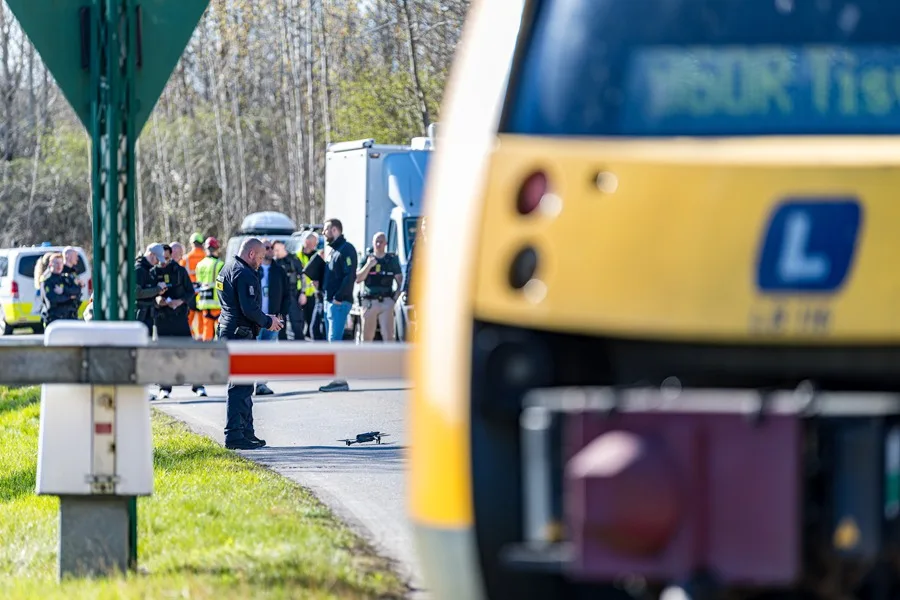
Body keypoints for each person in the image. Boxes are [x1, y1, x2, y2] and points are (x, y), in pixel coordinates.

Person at [217, 237, 284, 450]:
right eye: (261, 256)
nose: (262, 261)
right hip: (239, 334)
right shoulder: (244, 273)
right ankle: (234, 435)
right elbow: (249, 309)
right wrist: (268, 322)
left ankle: (247, 432)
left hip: (232, 331)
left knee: (245, 385)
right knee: (240, 386)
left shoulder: (227, 268)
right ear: (251, 254)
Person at [153, 242, 207, 399]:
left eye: (170, 256)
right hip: (162, 318)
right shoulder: (152, 272)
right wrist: (158, 300)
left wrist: (181, 301)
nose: (166, 260)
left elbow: (190, 291)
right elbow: (147, 293)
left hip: (179, 317)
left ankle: (198, 385)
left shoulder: (180, 270)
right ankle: (165, 388)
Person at [318, 218, 357, 393]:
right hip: (330, 302)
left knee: (335, 341)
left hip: (338, 303)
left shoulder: (346, 249)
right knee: (332, 341)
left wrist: (339, 297)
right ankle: (337, 378)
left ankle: (340, 380)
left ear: (335, 230)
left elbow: (350, 276)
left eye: (325, 230)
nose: (323, 233)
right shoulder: (333, 251)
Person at [253, 239, 290, 396]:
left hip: (273, 320)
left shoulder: (279, 271)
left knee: (266, 353)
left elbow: (287, 295)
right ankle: (248, 383)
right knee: (254, 353)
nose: (269, 250)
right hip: (256, 319)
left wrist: (281, 316)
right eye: (266, 247)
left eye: (270, 248)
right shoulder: (253, 270)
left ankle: (261, 384)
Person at [355, 231, 402, 342]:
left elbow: (400, 281)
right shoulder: (367, 259)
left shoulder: (391, 260)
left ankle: (389, 359)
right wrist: (368, 265)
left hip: (386, 301)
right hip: (370, 302)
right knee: (367, 337)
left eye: (381, 242)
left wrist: (395, 298)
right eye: (376, 242)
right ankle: (365, 359)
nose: (378, 244)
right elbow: (358, 279)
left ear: (386, 243)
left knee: (388, 336)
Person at [273, 240, 305, 341]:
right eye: (274, 250)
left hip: (293, 295)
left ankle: (300, 352)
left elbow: (302, 276)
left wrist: (303, 293)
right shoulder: (274, 262)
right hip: (279, 298)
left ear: (283, 247)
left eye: (277, 250)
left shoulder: (293, 259)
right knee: (281, 326)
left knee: (297, 324)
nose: (276, 252)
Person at [195, 237, 225, 342]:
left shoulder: (199, 264)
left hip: (204, 302)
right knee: (222, 331)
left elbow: (199, 283)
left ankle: (206, 352)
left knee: (207, 330)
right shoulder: (219, 264)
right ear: (216, 248)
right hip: (217, 303)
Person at [297, 231, 326, 340]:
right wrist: (301, 293)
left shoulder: (318, 256)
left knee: (312, 324)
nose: (317, 244)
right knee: (299, 322)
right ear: (307, 241)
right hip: (300, 294)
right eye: (315, 242)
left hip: (314, 294)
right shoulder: (297, 256)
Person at [134, 244, 168, 334]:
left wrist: (158, 292)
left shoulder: (148, 269)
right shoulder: (139, 270)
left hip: (147, 315)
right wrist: (157, 289)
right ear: (151, 254)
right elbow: (137, 293)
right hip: (140, 317)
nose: (157, 262)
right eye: (157, 259)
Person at [40, 253, 80, 326]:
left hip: (70, 318)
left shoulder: (66, 278)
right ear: (51, 264)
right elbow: (52, 299)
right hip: (54, 320)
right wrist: (69, 297)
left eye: (61, 263)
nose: (59, 266)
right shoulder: (47, 281)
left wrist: (63, 290)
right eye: (56, 263)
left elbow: (77, 291)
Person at [181, 232, 207, 339]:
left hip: (190, 292)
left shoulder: (186, 259)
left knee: (188, 318)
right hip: (203, 292)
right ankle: (201, 338)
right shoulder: (206, 257)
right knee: (202, 318)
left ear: (192, 243)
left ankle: (189, 337)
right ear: (202, 243)